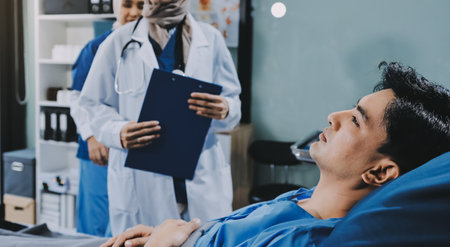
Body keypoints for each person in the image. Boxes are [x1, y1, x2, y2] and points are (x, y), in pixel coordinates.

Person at [101, 62, 450, 247]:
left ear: (379, 172)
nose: (334, 116)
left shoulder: (304, 238)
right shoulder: (300, 199)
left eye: (356, 120)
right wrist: (173, 234)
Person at [77, 0, 242, 236]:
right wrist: (118, 132)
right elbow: (91, 103)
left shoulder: (210, 38)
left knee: (205, 239)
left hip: (200, 172)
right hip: (142, 175)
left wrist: (226, 108)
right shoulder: (118, 41)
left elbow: (233, 98)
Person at [69, 0, 144, 236]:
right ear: (115, 7)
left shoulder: (151, 49)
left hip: (133, 149)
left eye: (141, 5)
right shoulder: (96, 47)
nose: (134, 12)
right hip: (99, 150)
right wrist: (92, 137)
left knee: (125, 225)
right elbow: (77, 98)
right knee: (95, 224)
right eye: (127, 4)